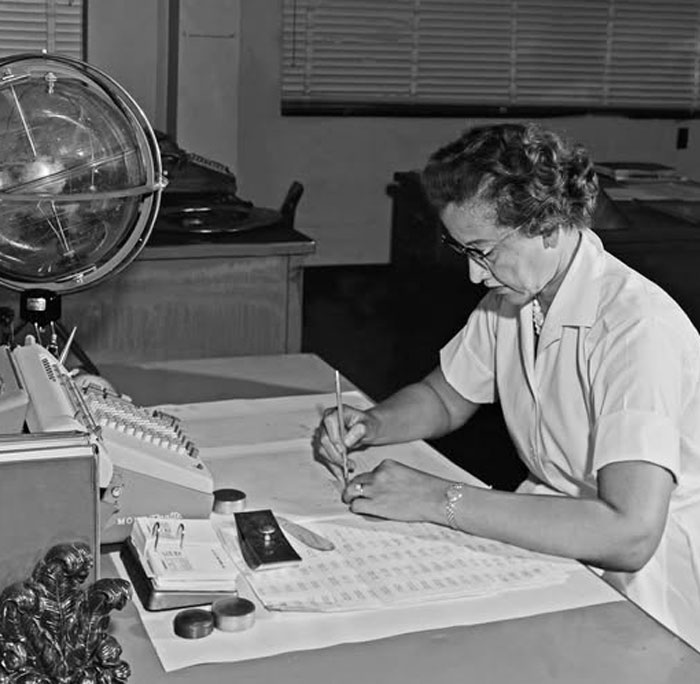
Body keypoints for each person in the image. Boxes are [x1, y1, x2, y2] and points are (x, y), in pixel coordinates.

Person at [317, 122, 700, 652]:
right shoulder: (517, 297)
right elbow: (445, 397)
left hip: (650, 587)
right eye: (463, 251)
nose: (476, 276)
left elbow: (629, 533)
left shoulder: (635, 328)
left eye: (484, 252)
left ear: (548, 226)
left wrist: (437, 499)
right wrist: (374, 423)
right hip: (554, 534)